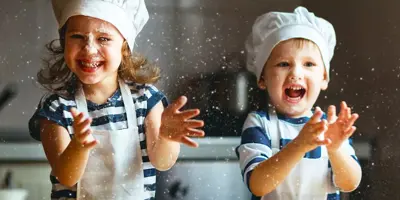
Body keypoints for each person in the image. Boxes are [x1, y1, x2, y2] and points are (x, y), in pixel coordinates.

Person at [28, 0, 205, 199]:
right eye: (77, 36)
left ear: (125, 47)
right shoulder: (57, 108)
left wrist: (166, 137)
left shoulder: (146, 100)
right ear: (63, 42)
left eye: (103, 38)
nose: (89, 49)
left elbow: (162, 162)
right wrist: (78, 146)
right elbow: (66, 177)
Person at [236, 6, 362, 200]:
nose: (296, 73)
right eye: (283, 64)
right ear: (262, 78)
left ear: (324, 78)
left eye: (309, 64)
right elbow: (258, 185)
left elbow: (350, 183)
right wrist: (299, 145)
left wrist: (335, 149)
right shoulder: (260, 124)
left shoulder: (330, 128)